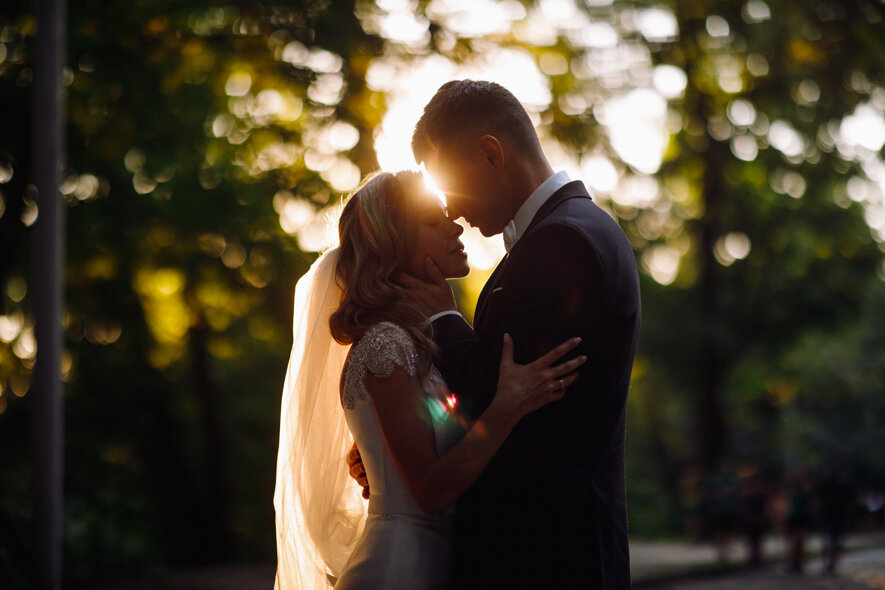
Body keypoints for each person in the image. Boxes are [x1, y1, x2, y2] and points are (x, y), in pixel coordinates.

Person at [371, 79, 641, 588]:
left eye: (450, 188)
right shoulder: (570, 232)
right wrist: (393, 445)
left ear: (491, 154)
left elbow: (508, 405)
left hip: (547, 555)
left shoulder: (562, 244)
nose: (452, 212)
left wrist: (445, 319)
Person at [273, 170, 586, 589]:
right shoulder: (386, 344)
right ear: (394, 246)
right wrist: (507, 408)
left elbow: (444, 431)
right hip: (396, 571)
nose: (454, 225)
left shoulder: (413, 343)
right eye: (432, 221)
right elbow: (432, 492)